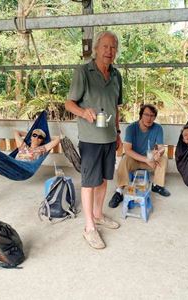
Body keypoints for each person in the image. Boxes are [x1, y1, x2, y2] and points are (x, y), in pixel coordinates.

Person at [65, 30, 122, 250]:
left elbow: (116, 107)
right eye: (106, 46)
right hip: (90, 138)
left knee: (104, 179)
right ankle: (89, 227)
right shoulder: (83, 71)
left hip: (109, 137)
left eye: (113, 47)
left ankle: (98, 214)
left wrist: (117, 133)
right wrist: (83, 112)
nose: (109, 51)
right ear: (96, 49)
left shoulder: (116, 75)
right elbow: (69, 104)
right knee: (89, 182)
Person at [0, 128, 60, 209]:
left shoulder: (42, 149)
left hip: (24, 169)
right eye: (35, 135)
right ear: (31, 137)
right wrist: (29, 134)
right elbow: (15, 132)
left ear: (42, 141)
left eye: (40, 137)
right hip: (11, 165)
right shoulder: (23, 146)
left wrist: (47, 138)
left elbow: (57, 139)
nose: (37, 138)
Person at [108, 104, 170, 208]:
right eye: (146, 114)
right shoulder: (131, 128)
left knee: (163, 158)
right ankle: (119, 191)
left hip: (149, 159)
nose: (149, 118)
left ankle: (157, 185)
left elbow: (161, 147)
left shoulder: (158, 128)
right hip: (135, 159)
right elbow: (127, 150)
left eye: (152, 115)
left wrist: (159, 153)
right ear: (141, 115)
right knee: (124, 159)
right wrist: (146, 160)